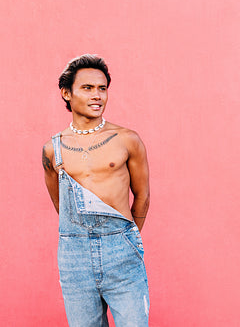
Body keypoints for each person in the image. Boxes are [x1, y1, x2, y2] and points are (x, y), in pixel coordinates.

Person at [42, 54, 150, 326]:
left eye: (102, 88)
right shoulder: (52, 149)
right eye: (87, 88)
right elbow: (61, 204)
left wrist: (126, 239)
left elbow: (143, 196)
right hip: (74, 255)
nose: (97, 96)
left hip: (121, 249)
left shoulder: (127, 139)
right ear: (67, 93)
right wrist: (81, 238)